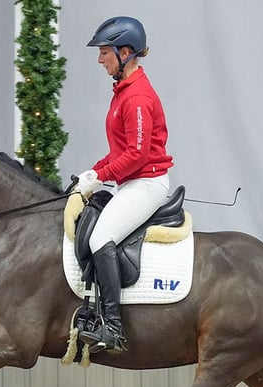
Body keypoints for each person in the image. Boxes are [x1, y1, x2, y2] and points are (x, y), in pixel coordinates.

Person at [75, 16, 175, 354]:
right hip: (132, 182)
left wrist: (101, 177)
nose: (100, 59)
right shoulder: (123, 92)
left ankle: (113, 327)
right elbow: (120, 151)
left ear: (126, 52)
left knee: (102, 237)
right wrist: (92, 172)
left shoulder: (137, 98)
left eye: (104, 52)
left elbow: (136, 155)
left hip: (147, 184)